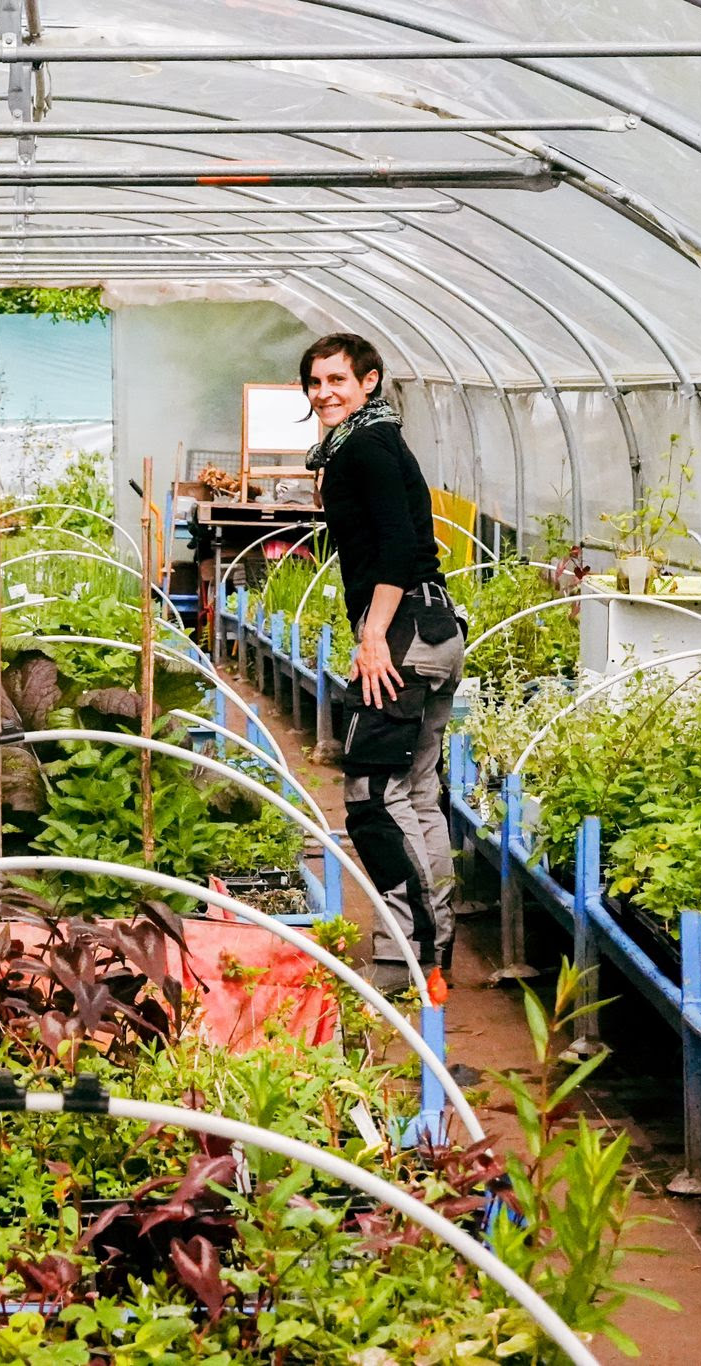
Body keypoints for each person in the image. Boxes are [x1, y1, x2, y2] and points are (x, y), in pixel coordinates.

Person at [300, 332, 465, 978]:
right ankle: (426, 954)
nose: (324, 393)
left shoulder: (363, 447)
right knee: (417, 792)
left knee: (372, 796)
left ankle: (413, 951)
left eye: (337, 380)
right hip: (434, 625)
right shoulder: (379, 439)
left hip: (404, 633)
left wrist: (374, 635)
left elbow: (396, 547)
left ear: (369, 381)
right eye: (315, 382)